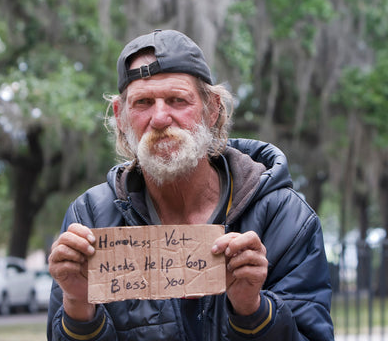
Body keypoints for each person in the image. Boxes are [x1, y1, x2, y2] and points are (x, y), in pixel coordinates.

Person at [47, 29, 334, 340]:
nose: (159, 118)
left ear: (212, 109)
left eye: (176, 100)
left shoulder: (286, 219)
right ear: (121, 116)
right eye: (143, 102)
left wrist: (253, 310)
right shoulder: (89, 219)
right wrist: (78, 306)